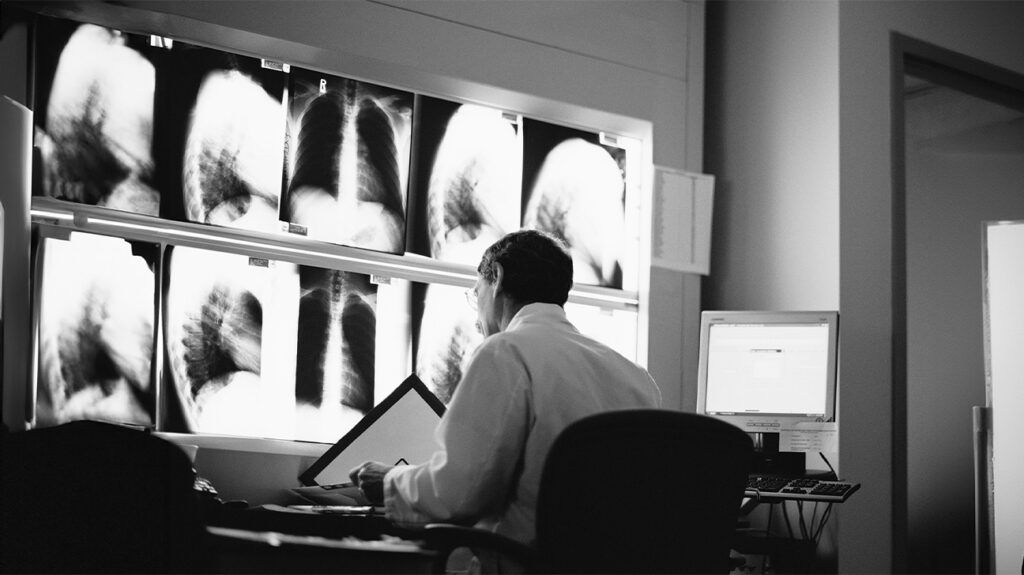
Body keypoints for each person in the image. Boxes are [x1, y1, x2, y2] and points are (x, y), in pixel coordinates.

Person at [349, 229, 660, 551]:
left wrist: (388, 481)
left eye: (476, 293)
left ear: (496, 277)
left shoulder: (505, 351)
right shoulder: (635, 376)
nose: (477, 318)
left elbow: (457, 496)